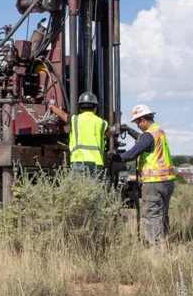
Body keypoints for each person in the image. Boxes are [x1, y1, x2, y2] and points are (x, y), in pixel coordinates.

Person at [109, 104, 175, 245]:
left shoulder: (149, 135)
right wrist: (130, 131)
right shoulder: (158, 131)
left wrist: (111, 157)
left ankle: (154, 248)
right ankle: (166, 244)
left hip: (153, 182)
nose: (138, 125)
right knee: (162, 214)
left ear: (143, 119)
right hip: (167, 181)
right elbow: (142, 139)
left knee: (151, 214)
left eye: (138, 122)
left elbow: (132, 154)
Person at [51, 92, 108, 178]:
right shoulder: (102, 123)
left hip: (79, 162)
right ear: (95, 108)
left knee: (76, 190)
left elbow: (63, 115)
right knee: (95, 191)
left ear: (80, 108)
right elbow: (110, 132)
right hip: (96, 164)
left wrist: (52, 107)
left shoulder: (75, 120)